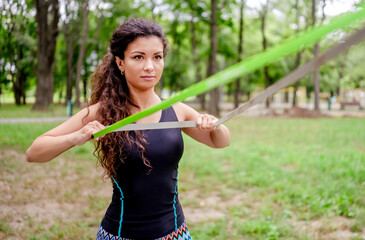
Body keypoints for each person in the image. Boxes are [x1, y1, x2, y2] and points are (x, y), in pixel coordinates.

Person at [26, 18, 230, 240]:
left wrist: (214, 126)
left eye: (157, 57)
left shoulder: (177, 110)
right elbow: (34, 152)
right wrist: (76, 137)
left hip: (175, 233)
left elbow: (221, 141)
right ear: (120, 63)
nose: (150, 66)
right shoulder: (101, 112)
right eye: (138, 57)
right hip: (120, 234)